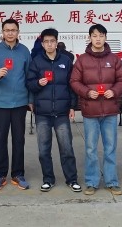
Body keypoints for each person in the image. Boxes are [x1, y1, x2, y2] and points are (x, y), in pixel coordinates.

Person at [70, 24, 122, 196]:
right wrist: (87, 92)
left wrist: (114, 91)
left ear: (105, 38)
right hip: (90, 111)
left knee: (110, 148)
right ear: (89, 38)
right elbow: (74, 81)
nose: (98, 39)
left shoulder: (114, 59)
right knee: (90, 149)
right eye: (94, 36)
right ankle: (91, 182)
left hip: (110, 111)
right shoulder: (82, 60)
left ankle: (112, 182)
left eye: (101, 35)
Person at [27, 28, 81, 192]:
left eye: (52, 41)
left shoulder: (66, 61)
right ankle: (48, 179)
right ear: (42, 44)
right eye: (46, 42)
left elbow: (72, 85)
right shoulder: (36, 61)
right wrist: (38, 83)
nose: (49, 44)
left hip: (62, 112)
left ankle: (71, 179)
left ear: (57, 42)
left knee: (67, 148)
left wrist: (72, 106)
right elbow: (29, 83)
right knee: (44, 150)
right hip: (42, 113)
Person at [0, 19, 32, 191]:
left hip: (20, 103)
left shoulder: (24, 51)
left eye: (13, 30)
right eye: (7, 30)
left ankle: (18, 174)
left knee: (19, 139)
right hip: (1, 104)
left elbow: (30, 77)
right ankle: (0, 175)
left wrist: (31, 100)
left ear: (18, 32)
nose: (10, 33)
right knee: (0, 139)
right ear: (2, 32)